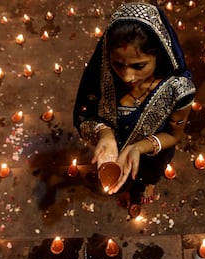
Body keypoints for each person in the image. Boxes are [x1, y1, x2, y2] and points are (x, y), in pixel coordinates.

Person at [73, 2, 196, 209]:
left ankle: (147, 185)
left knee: (148, 172)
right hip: (113, 150)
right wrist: (104, 133)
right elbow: (85, 115)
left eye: (139, 66)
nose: (128, 76)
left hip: (151, 151)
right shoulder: (102, 76)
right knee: (119, 177)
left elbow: (174, 135)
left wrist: (138, 147)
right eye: (118, 64)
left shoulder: (178, 89)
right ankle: (125, 189)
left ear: (159, 54)